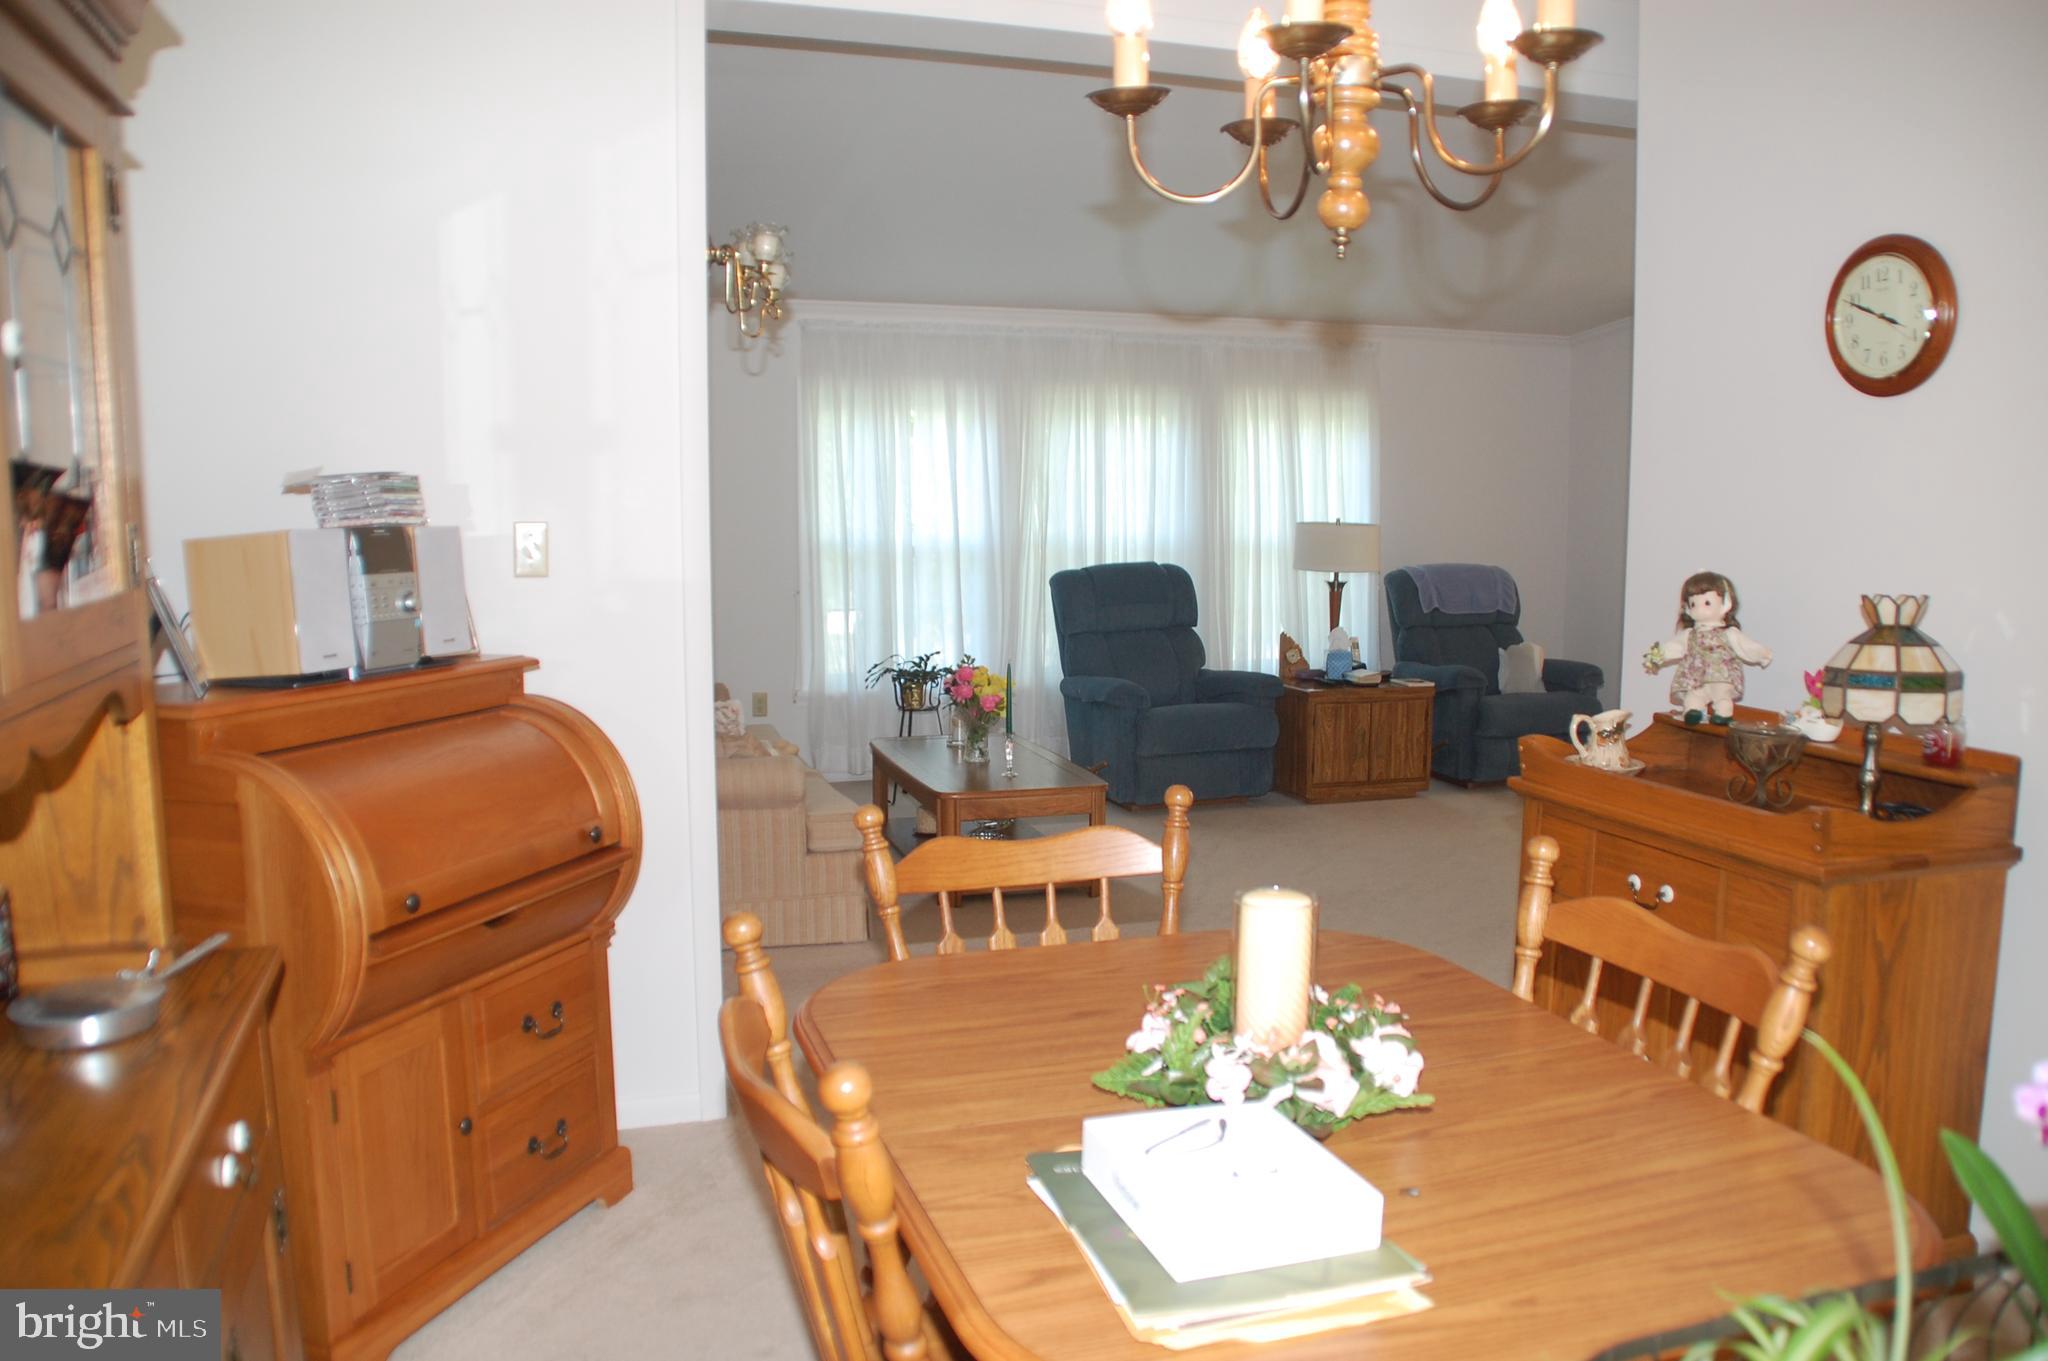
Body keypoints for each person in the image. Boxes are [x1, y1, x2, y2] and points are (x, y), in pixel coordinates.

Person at [1641, 570, 1771, 724]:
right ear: (1688, 608)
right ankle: (1693, 712)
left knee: (1722, 696)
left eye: (1707, 603)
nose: (1699, 609)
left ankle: (1722, 715)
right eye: (1693, 604)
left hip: (1722, 676)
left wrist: (1762, 654)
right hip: (1696, 678)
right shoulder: (1690, 635)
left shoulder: (1729, 633)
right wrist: (1657, 656)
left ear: (1726, 604)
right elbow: (1673, 647)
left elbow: (1747, 646)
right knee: (1693, 696)